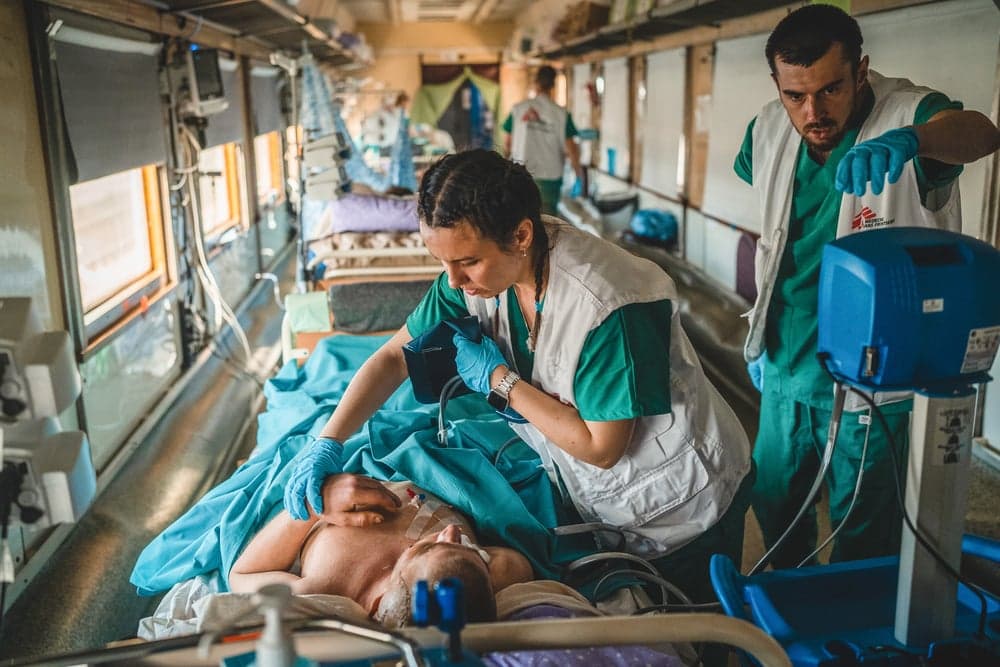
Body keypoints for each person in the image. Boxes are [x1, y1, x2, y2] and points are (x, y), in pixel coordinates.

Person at [284, 148, 753, 608]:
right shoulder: (482, 275)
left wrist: (501, 380)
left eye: (466, 262)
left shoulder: (609, 304)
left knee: (700, 624)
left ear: (521, 235)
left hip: (684, 500)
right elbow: (392, 357)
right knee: (649, 609)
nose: (452, 281)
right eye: (441, 262)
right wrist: (328, 440)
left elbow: (601, 448)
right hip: (602, 497)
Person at [735, 4, 1000, 568]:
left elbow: (980, 132)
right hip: (786, 360)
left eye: (831, 90)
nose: (813, 111)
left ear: (861, 71)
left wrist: (915, 142)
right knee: (776, 504)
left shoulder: (908, 113)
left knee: (865, 524)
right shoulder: (765, 128)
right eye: (795, 95)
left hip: (878, 376)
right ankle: (789, 626)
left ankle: (853, 640)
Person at [231, 473, 534, 626]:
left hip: (350, 475)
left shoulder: (324, 583)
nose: (450, 532)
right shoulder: (498, 574)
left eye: (423, 549)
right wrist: (473, 563)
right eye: (460, 547)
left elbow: (243, 574)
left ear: (378, 604)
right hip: (451, 472)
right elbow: (515, 563)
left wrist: (315, 503)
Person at [502, 65, 583, 215]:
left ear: (536, 83)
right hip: (550, 179)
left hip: (521, 175)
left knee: (521, 219)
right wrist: (578, 175)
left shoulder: (518, 109)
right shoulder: (561, 114)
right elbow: (572, 148)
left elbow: (507, 143)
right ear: (553, 85)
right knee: (547, 223)